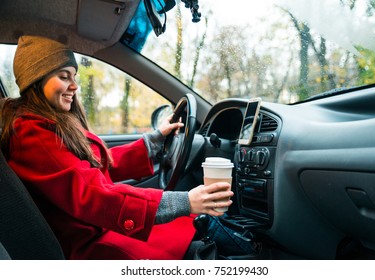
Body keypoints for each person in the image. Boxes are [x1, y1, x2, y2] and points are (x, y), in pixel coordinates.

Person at [0, 35, 256, 260]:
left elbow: (94, 166)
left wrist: (155, 141)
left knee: (199, 227)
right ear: (36, 79)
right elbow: (92, 194)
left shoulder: (49, 123)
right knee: (206, 233)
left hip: (96, 230)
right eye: (63, 76)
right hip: (88, 246)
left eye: (74, 76)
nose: (74, 86)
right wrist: (185, 201)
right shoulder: (32, 134)